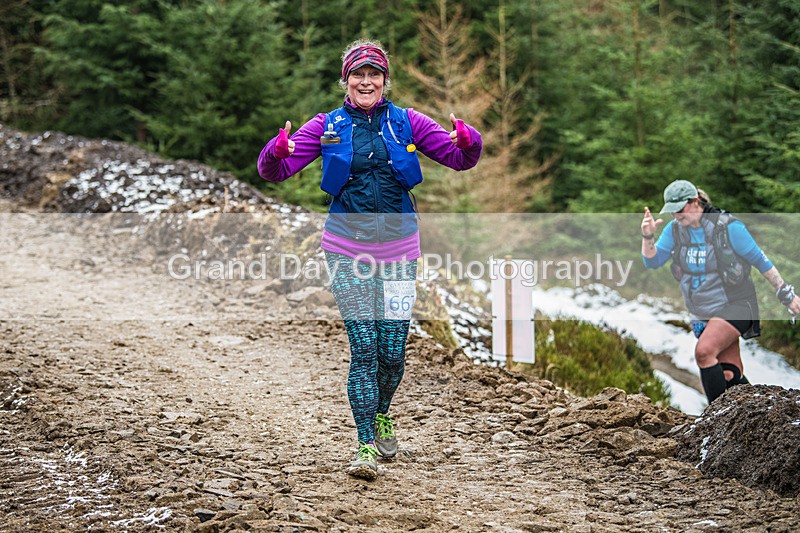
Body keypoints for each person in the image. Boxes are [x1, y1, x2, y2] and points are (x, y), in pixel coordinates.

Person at [257, 39, 482, 479]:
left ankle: (381, 414)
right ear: (345, 80)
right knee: (364, 349)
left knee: (393, 353)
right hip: (347, 249)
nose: (365, 81)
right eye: (357, 74)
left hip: (399, 249)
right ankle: (364, 445)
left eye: (373, 74)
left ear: (384, 80)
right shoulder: (328, 126)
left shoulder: (407, 122)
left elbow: (460, 158)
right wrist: (276, 150)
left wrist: (469, 140)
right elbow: (275, 170)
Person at [641, 179, 800, 405]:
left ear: (695, 201)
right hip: (702, 309)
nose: (676, 216)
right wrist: (647, 237)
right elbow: (652, 262)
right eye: (672, 211)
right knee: (729, 375)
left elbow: (761, 261)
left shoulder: (728, 227)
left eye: (680, 209)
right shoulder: (675, 230)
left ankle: (714, 422)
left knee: (704, 352)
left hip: (737, 304)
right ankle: (766, 409)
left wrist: (787, 294)